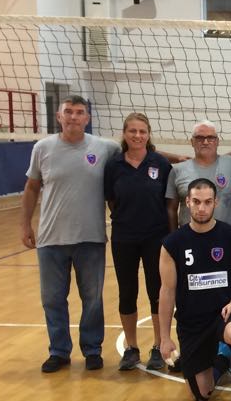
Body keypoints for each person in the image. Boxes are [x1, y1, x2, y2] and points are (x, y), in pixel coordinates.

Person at [22, 95, 120, 373]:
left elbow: (140, 151)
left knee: (93, 299)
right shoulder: (42, 148)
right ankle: (59, 351)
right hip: (51, 239)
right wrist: (25, 225)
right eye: (68, 112)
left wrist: (179, 158)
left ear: (87, 118)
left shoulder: (105, 148)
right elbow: (32, 187)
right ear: (59, 116)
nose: (73, 117)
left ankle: (92, 350)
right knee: (52, 299)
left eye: (79, 112)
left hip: (91, 238)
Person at [158, 179, 231, 401]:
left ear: (216, 203)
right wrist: (164, 338)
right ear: (187, 202)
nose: (201, 208)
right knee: (202, 394)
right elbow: (167, 291)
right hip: (192, 322)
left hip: (225, 313)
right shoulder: (173, 243)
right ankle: (223, 357)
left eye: (207, 202)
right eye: (196, 202)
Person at [104, 112, 172, 371]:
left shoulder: (160, 163)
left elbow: (169, 202)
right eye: (132, 131)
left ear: (148, 134)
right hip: (124, 237)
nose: (137, 135)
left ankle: (158, 346)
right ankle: (131, 348)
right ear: (124, 134)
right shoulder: (114, 165)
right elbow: (111, 200)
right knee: (127, 291)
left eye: (142, 131)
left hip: (155, 236)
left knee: (157, 291)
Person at [167, 121, 231, 229]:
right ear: (192, 142)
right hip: (190, 236)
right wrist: (174, 236)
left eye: (211, 137)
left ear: (217, 141)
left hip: (226, 236)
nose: (205, 142)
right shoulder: (177, 170)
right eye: (199, 138)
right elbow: (171, 209)